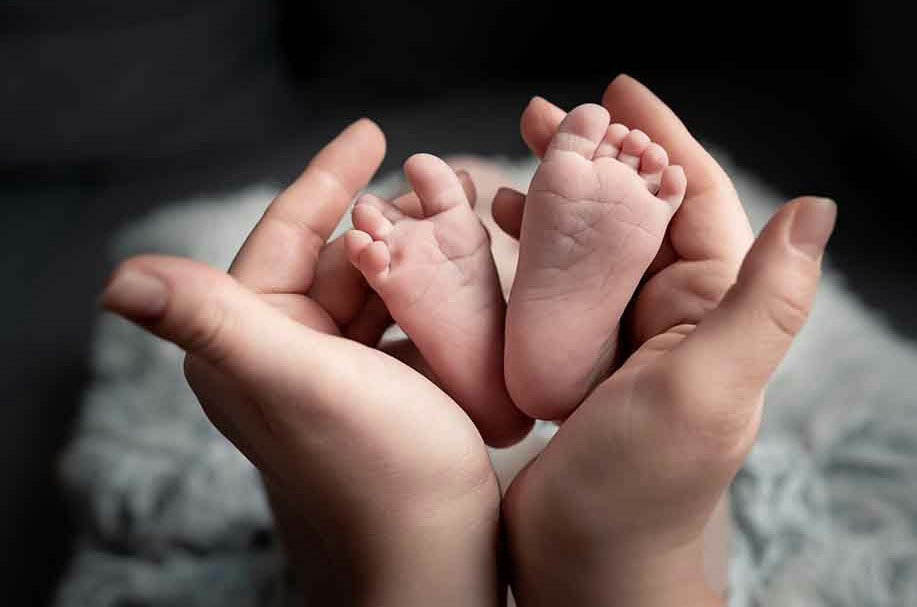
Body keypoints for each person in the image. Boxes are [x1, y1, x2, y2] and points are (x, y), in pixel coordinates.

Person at [100, 75, 836, 606]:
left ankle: (421, 503)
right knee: (678, 492)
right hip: (590, 437)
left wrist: (417, 520)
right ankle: (619, 531)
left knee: (319, 455)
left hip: (408, 512)